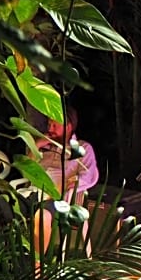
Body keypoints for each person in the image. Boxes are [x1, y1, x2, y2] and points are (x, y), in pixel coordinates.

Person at [34, 105, 99, 253]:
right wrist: (37, 145)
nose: (50, 129)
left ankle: (37, 265)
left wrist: (67, 186)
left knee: (42, 216)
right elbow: (26, 168)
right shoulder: (45, 147)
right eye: (49, 124)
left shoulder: (82, 148)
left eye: (54, 125)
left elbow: (88, 176)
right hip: (32, 193)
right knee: (1, 204)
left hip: (57, 198)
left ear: (68, 127)